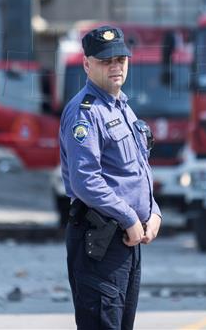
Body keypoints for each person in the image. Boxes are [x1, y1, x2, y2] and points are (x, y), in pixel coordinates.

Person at [60, 25, 162, 330]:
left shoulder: (123, 109)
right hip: (99, 240)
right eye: (106, 60)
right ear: (87, 64)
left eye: (121, 59)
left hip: (126, 243)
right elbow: (85, 180)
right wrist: (130, 218)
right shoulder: (85, 112)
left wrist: (153, 211)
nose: (116, 66)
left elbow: (136, 171)